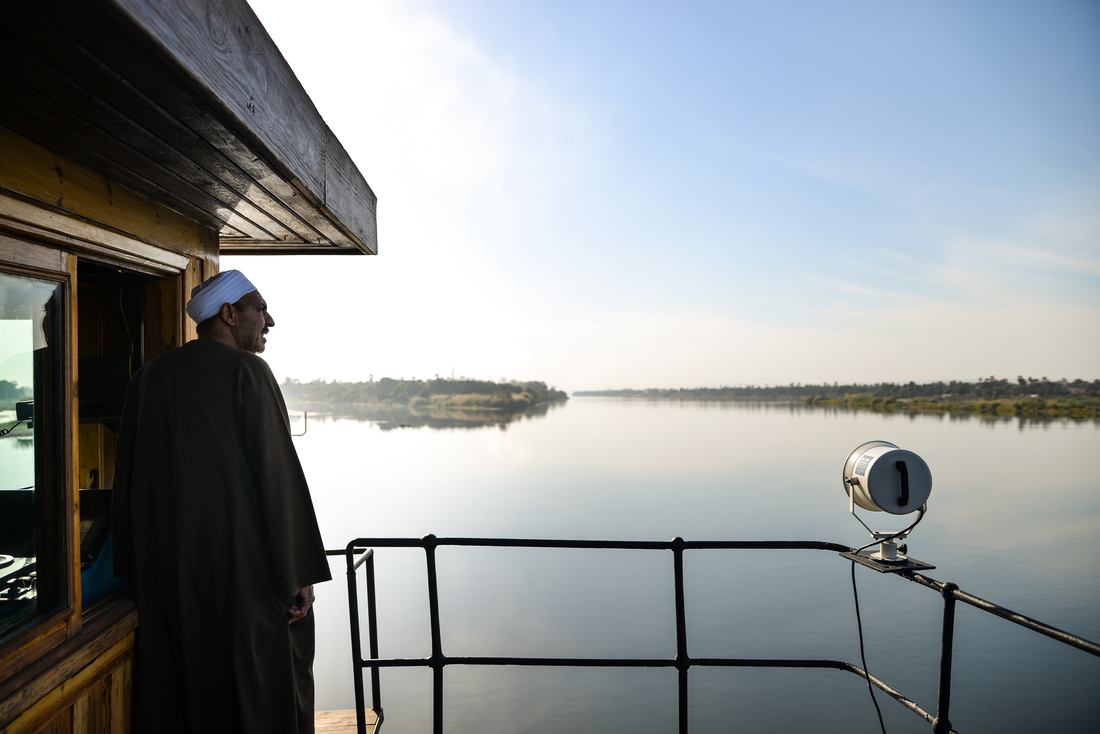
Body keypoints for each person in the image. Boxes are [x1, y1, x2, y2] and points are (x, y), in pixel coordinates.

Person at [113, 270, 330, 733]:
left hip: (166, 584)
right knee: (255, 697)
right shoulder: (248, 372)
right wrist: (297, 574)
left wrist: (133, 570)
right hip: (241, 585)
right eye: (260, 309)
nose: (269, 321)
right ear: (229, 314)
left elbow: (125, 481)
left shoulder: (147, 378)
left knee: (185, 696)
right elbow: (277, 478)